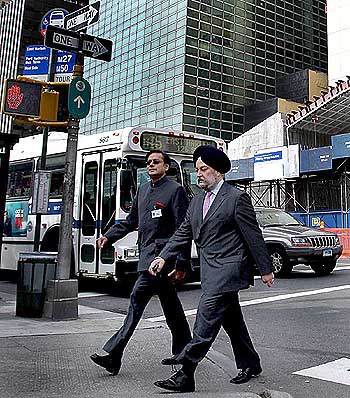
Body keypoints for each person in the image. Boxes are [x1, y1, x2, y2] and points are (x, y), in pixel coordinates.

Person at [149, 145, 274, 393]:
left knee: (205, 318)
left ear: (217, 171)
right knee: (232, 321)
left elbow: (253, 235)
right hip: (209, 269)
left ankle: (186, 370)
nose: (199, 174)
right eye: (197, 170)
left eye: (203, 169)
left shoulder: (236, 198)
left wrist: (266, 269)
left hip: (229, 269)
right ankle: (251, 363)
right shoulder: (196, 201)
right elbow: (182, 233)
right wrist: (164, 257)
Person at [90, 150, 192, 375]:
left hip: (162, 261)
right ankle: (187, 351)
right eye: (148, 162)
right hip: (147, 258)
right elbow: (131, 221)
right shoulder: (144, 190)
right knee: (172, 309)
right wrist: (109, 236)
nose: (151, 165)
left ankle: (113, 355)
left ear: (166, 166)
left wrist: (182, 264)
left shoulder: (176, 191)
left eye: (156, 162)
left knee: (136, 304)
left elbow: (183, 230)